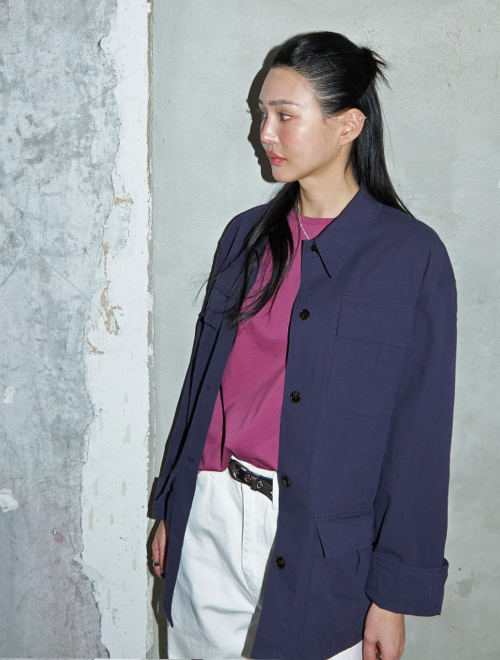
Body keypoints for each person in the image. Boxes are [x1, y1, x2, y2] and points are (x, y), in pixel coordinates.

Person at [150, 31, 457, 660]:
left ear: (348, 125)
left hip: (322, 544)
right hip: (210, 515)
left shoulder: (411, 257)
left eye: (284, 115)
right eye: (261, 113)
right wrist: (171, 507)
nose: (264, 133)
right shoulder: (245, 237)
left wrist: (393, 595)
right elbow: (202, 385)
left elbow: (419, 438)